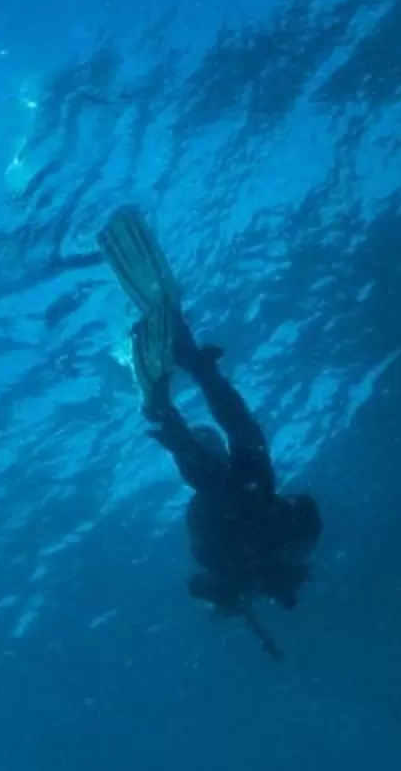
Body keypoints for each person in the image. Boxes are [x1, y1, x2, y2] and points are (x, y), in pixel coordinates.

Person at [98, 208, 323, 659]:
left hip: (234, 508)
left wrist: (229, 592)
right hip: (245, 501)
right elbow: (301, 507)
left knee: (228, 464)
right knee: (243, 443)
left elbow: (200, 576)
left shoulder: (236, 564)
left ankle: (174, 399)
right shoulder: (262, 544)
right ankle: (191, 376)